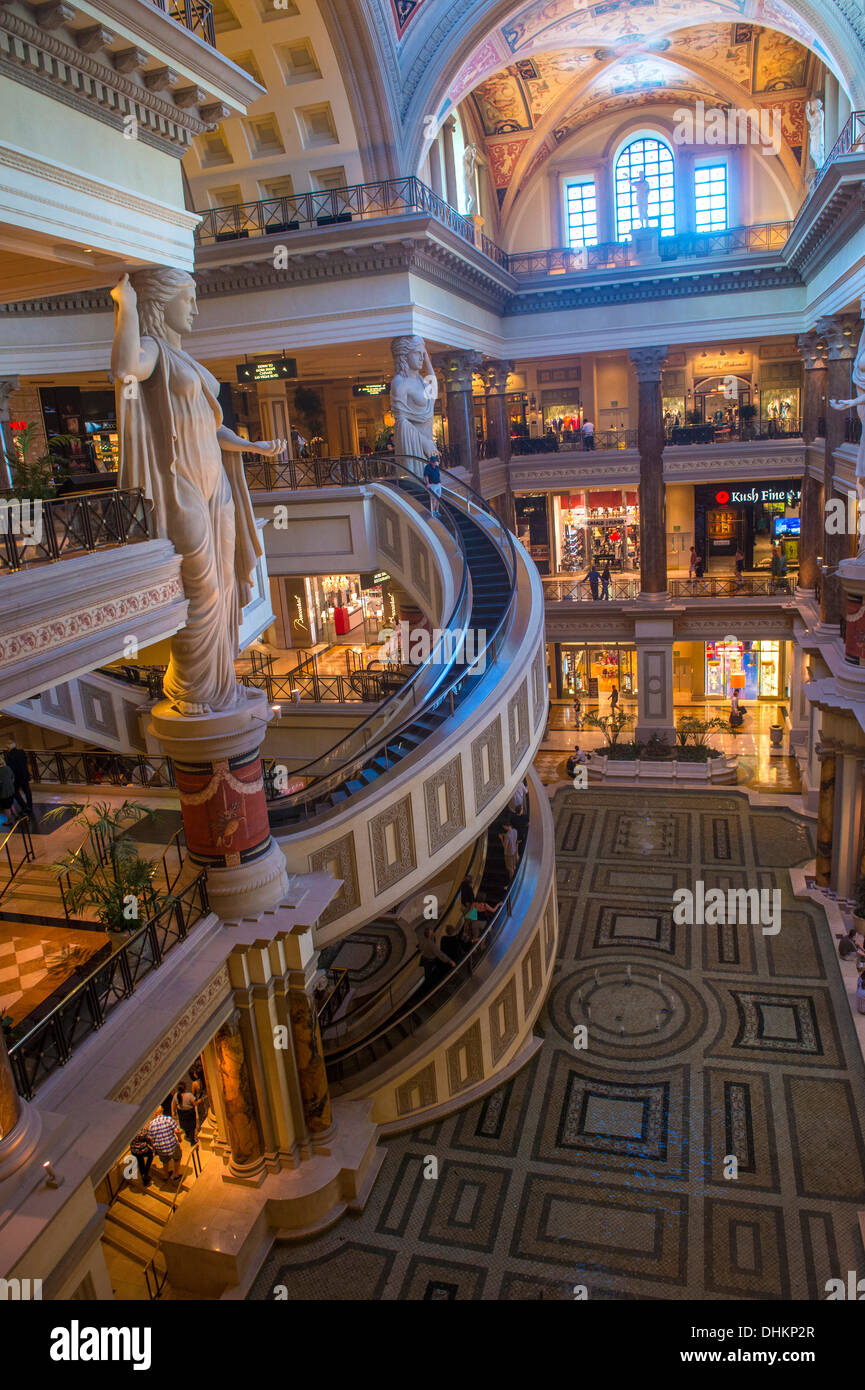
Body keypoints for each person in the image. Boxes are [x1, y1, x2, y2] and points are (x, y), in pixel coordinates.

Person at [145, 1107, 183, 1181]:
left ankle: (166, 1175)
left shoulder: (151, 1124)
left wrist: (154, 1148)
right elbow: (177, 1131)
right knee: (177, 1158)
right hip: (172, 1145)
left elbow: (150, 1138)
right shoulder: (168, 1119)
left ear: (155, 1113)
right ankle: (176, 1175)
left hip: (160, 1148)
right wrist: (179, 1139)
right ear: (162, 1111)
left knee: (165, 1161)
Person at [417, 923, 455, 988]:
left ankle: (428, 985)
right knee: (430, 974)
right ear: (429, 934)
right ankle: (431, 986)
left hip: (424, 959)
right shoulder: (432, 945)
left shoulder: (422, 939)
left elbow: (419, 947)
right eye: (432, 932)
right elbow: (440, 954)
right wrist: (450, 961)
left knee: (427, 974)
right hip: (430, 961)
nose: (433, 932)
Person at [5, 740, 32, 815]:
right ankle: (29, 806)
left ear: (9, 748)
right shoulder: (21, 751)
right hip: (25, 775)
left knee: (15, 793)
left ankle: (24, 807)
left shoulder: (9, 755)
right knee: (27, 792)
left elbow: (11, 768)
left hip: (16, 777)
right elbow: (26, 762)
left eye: (7, 747)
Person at [171, 1081, 198, 1148]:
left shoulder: (176, 1096)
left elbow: (173, 1104)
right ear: (185, 1088)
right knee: (192, 1126)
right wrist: (198, 1101)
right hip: (190, 1113)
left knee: (184, 1124)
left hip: (181, 1113)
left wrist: (173, 1112)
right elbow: (194, 1103)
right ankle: (192, 1141)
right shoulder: (189, 1095)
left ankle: (187, 1135)